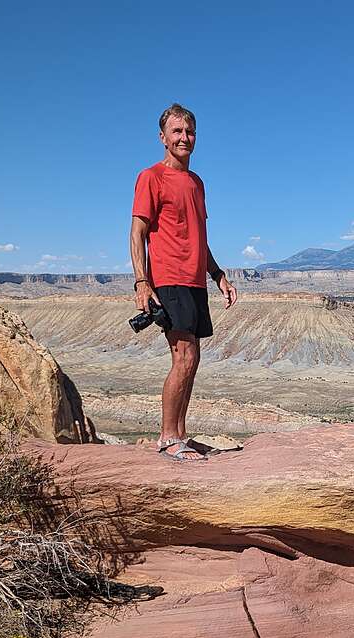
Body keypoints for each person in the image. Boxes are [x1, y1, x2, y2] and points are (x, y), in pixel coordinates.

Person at [130, 103, 239, 461]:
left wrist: (218, 274)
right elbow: (138, 231)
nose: (184, 138)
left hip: (194, 281)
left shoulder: (196, 183)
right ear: (162, 137)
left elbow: (198, 236)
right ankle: (167, 437)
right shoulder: (151, 177)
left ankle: (180, 433)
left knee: (193, 358)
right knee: (184, 355)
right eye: (176, 132)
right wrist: (142, 282)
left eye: (189, 132)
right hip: (168, 278)